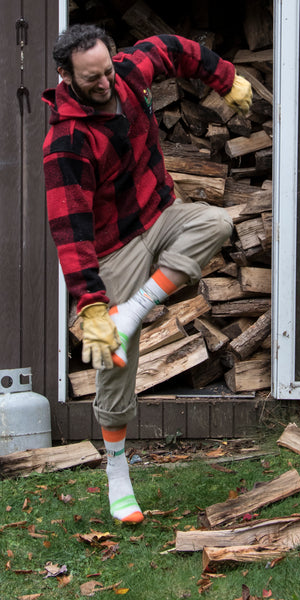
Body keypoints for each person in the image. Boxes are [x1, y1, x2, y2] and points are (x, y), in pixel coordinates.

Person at [42, 24, 252, 523]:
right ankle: (117, 472)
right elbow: (69, 230)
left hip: (159, 213)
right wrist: (92, 304)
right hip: (113, 247)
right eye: (91, 78)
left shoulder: (129, 74)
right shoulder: (66, 142)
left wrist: (224, 79)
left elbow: (174, 48)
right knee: (115, 360)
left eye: (107, 71)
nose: (104, 84)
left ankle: (133, 311)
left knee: (217, 222)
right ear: (66, 77)